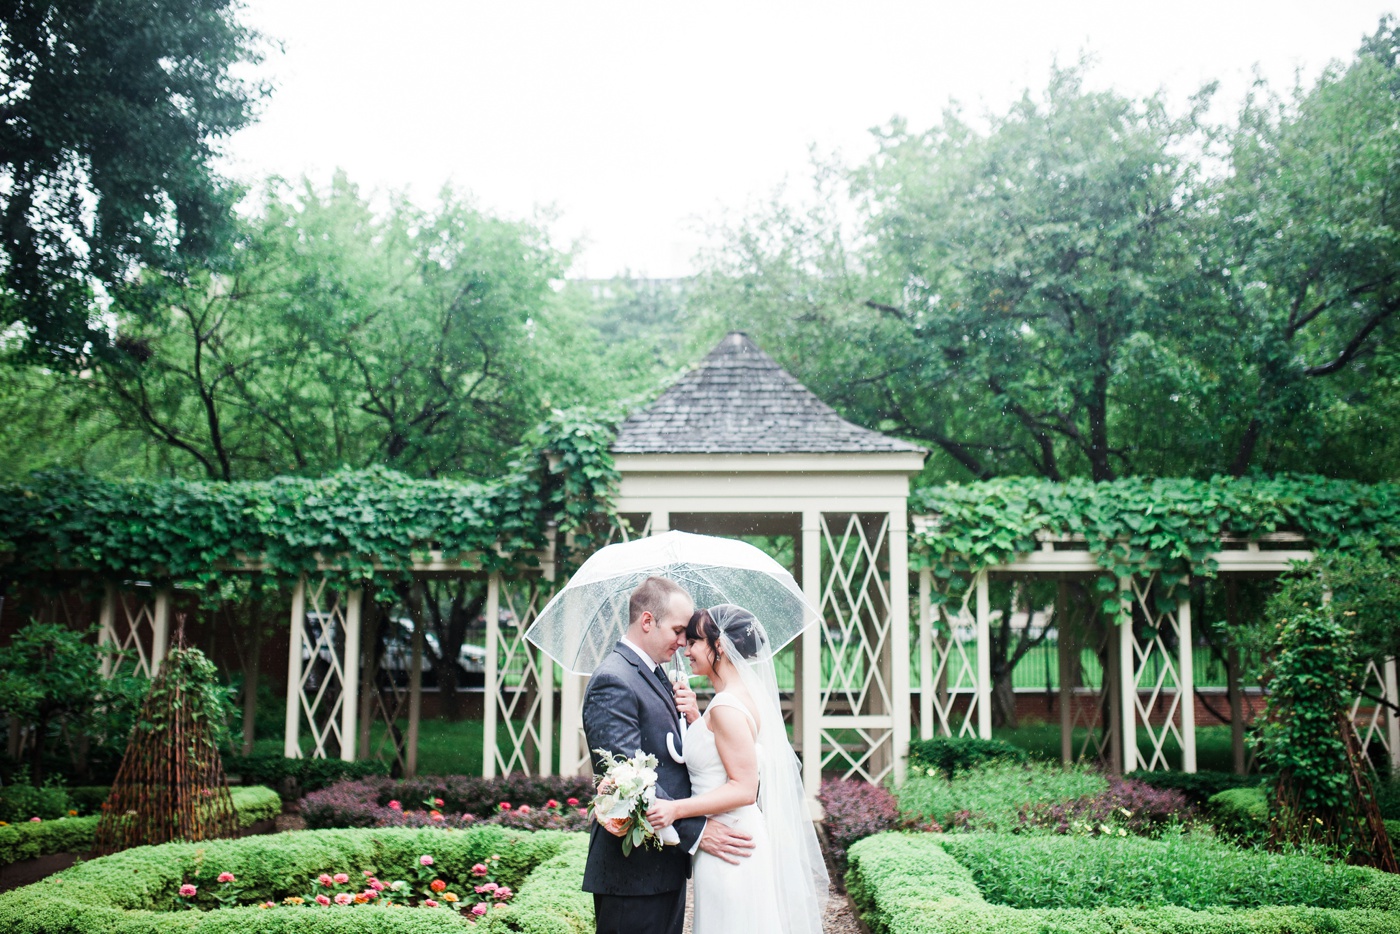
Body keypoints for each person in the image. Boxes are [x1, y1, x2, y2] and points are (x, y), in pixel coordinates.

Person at [581, 577, 756, 934]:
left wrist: (691, 718)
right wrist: (697, 829)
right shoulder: (613, 680)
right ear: (647, 621)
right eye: (678, 630)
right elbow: (626, 781)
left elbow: (671, 759)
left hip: (663, 865)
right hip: (633, 873)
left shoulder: (656, 675)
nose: (683, 641)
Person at [646, 604, 828, 934]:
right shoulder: (730, 700)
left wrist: (675, 809)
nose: (686, 650)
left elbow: (743, 788)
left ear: (722, 646)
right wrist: (696, 718)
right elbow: (721, 755)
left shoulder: (727, 707)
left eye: (695, 641)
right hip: (731, 837)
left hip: (729, 843)